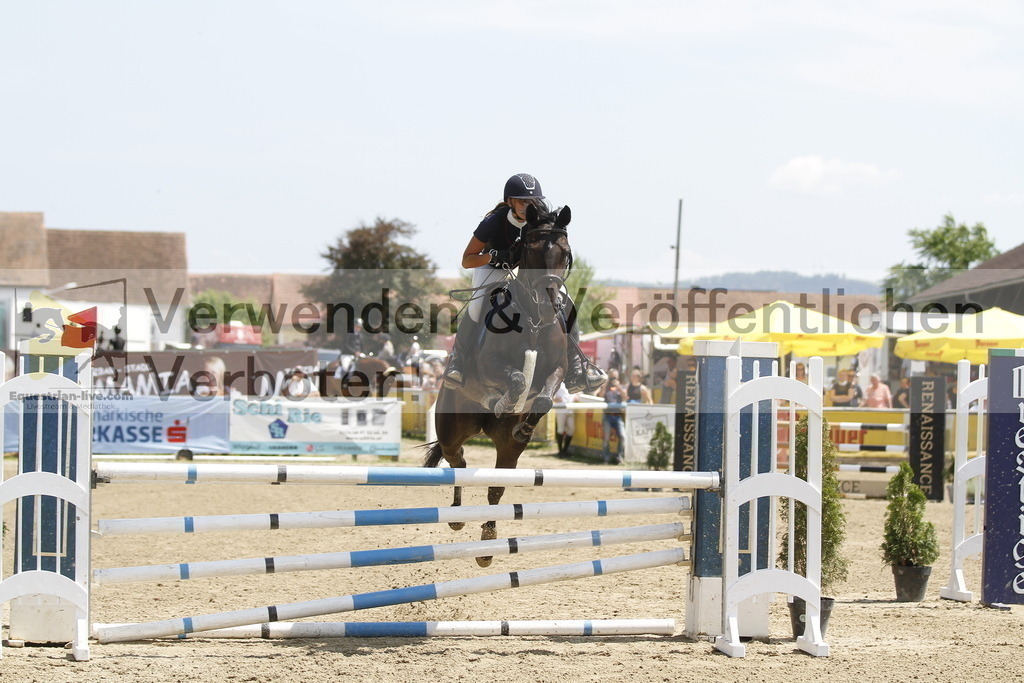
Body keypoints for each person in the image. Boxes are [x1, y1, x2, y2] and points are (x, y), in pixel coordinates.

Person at [442, 173, 606, 394]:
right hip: (493, 269)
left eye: (531, 201)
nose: (527, 205)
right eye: (522, 201)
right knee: (477, 306)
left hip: (526, 272)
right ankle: (458, 361)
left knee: (565, 300)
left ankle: (577, 368)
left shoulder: (539, 219)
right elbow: (467, 259)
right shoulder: (493, 222)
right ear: (509, 201)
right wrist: (492, 255)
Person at [601, 378, 626, 464]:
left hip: (617, 416)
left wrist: (619, 387)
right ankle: (606, 458)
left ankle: (619, 458)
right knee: (606, 438)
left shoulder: (620, 389)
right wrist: (604, 386)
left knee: (622, 436)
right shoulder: (606, 388)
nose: (613, 382)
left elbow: (625, 397)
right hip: (607, 416)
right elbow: (600, 395)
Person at [553, 382, 575, 456]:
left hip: (571, 408)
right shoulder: (559, 382)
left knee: (571, 429)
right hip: (561, 408)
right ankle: (560, 450)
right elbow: (552, 392)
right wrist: (554, 399)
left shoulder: (572, 381)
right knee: (561, 429)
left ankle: (565, 449)